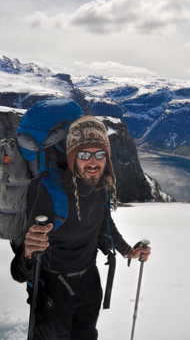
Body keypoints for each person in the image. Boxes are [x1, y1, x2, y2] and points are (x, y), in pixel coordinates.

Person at [11, 115, 151, 340]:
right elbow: (18, 271)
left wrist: (128, 251)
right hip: (53, 293)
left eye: (100, 154)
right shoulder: (51, 193)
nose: (93, 162)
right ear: (73, 156)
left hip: (90, 286)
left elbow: (105, 226)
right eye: (84, 154)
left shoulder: (101, 187)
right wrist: (28, 250)